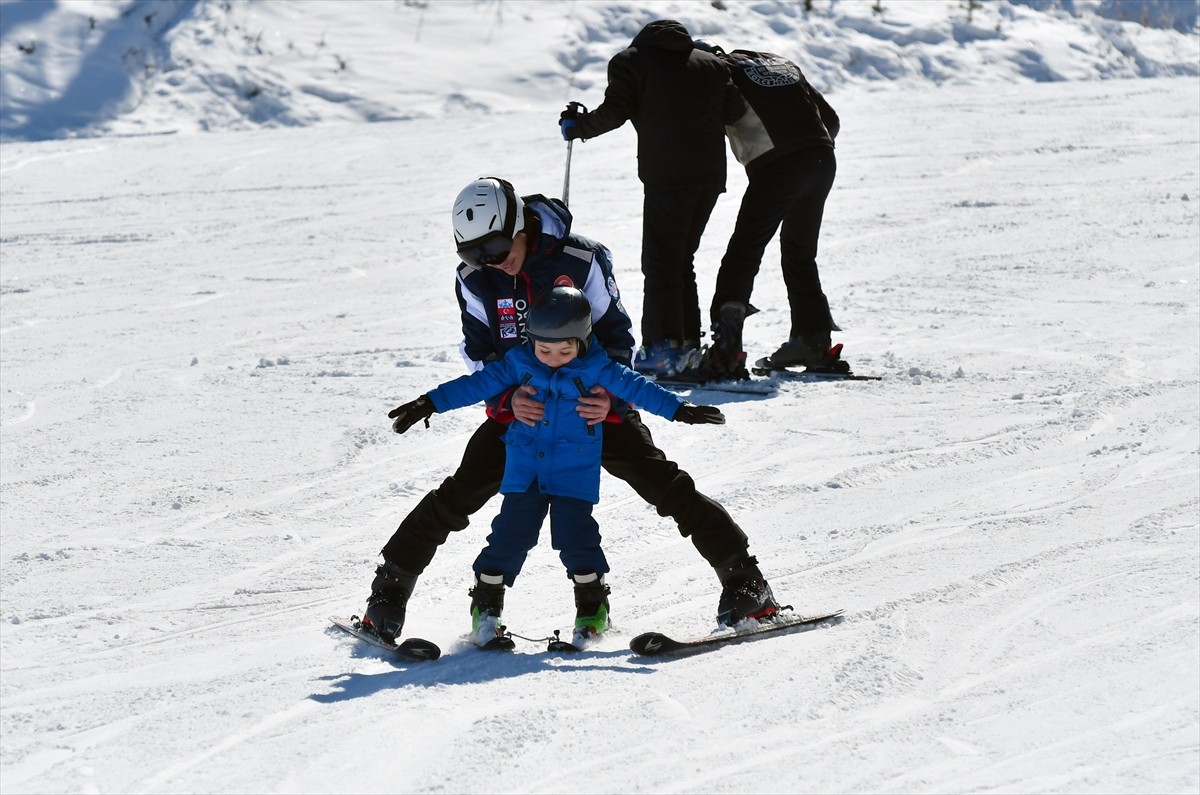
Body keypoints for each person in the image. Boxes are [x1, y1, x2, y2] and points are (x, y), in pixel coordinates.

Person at [361, 176, 779, 642]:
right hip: (525, 415)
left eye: (497, 246)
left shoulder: (582, 259)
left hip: (590, 408)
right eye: (474, 253)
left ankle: (747, 585)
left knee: (666, 486)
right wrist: (507, 400)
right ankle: (387, 594)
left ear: (519, 224)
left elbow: (618, 337)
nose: (491, 261)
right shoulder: (474, 279)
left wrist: (610, 399)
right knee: (458, 495)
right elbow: (479, 353)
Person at [386, 286, 725, 644]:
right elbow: (473, 386)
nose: (553, 358)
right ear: (531, 339)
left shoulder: (597, 368)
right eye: (544, 349)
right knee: (509, 538)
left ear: (583, 341)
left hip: (572, 473)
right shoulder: (518, 363)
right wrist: (429, 403)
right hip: (525, 472)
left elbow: (638, 388)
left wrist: (679, 410)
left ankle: (593, 611)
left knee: (577, 539)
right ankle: (486, 612)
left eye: (565, 350)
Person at [559, 19, 744, 378]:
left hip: (668, 176)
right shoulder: (713, 64)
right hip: (709, 176)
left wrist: (577, 127)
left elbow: (615, 110)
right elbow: (734, 112)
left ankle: (662, 350)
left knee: (661, 262)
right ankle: (686, 345)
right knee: (680, 259)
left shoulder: (632, 60)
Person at [691, 42, 848, 380]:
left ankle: (726, 351)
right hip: (821, 157)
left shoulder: (720, 73)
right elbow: (830, 119)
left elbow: (722, 115)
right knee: (800, 253)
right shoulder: (779, 63)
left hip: (779, 164)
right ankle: (813, 341)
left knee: (744, 250)